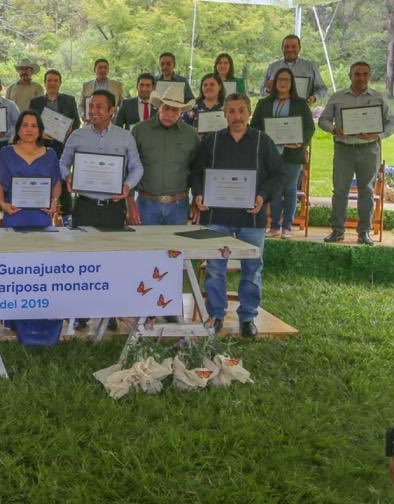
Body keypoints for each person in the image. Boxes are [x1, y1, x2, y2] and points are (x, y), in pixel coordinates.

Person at [190, 93, 285, 337]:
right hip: (217, 216)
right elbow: (196, 173)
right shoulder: (211, 142)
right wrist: (199, 194)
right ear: (224, 115)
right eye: (231, 111)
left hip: (251, 217)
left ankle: (247, 318)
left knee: (252, 267)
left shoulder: (263, 142)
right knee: (215, 268)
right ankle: (216, 315)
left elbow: (278, 176)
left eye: (241, 110)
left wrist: (262, 196)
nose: (236, 116)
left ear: (249, 112)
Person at [59, 90, 143, 331]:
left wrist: (127, 186)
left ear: (111, 111)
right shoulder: (77, 135)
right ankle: (82, 312)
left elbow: (137, 168)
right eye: (90, 106)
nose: (93, 111)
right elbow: (62, 163)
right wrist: (68, 176)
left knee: (112, 261)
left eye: (98, 107)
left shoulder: (125, 137)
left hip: (112, 209)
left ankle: (110, 313)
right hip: (84, 206)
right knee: (83, 261)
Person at [0, 110, 63, 346]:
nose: (29, 129)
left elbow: (56, 184)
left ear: (40, 129)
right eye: (25, 125)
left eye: (34, 125)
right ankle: (15, 321)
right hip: (16, 216)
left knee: (41, 270)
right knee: (16, 271)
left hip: (41, 219)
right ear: (19, 129)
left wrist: (54, 203)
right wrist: (3, 204)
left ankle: (40, 319)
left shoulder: (51, 154)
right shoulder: (6, 153)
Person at [317, 61, 394, 245]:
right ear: (350, 76)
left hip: (369, 150)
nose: (361, 78)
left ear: (369, 76)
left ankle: (364, 233)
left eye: (365, 74)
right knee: (339, 191)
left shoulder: (379, 98)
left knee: (367, 192)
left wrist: (377, 134)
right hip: (344, 150)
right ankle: (337, 231)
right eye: (357, 74)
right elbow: (323, 120)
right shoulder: (338, 97)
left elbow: (392, 124)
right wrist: (334, 129)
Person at [250, 67, 316, 239]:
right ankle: (274, 227)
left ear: (291, 83)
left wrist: (300, 142)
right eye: (280, 80)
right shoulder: (264, 103)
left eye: (286, 80)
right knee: (275, 190)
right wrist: (263, 140)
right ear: (274, 83)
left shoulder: (300, 104)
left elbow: (309, 128)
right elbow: (255, 126)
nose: (283, 83)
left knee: (289, 189)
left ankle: (287, 226)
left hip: (292, 154)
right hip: (270, 154)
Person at [131, 84, 198, 227]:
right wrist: (129, 204)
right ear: (158, 106)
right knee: (146, 248)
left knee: (177, 248)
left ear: (181, 112)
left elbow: (196, 170)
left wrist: (196, 201)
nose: (169, 113)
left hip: (179, 206)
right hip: (146, 204)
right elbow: (129, 168)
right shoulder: (140, 130)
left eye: (174, 110)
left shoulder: (191, 135)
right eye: (166, 107)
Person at [261, 34, 327, 106]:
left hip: (301, 110)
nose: (290, 49)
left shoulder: (310, 67)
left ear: (299, 48)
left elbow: (322, 89)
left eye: (293, 46)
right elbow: (262, 91)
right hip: (275, 112)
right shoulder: (272, 67)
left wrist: (314, 98)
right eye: (286, 47)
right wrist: (268, 90)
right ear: (282, 48)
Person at [28, 69, 81, 158]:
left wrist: (70, 129)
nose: (52, 83)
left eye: (56, 81)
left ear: (60, 83)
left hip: (63, 146)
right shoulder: (35, 102)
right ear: (45, 83)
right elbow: (30, 124)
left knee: (61, 171)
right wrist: (39, 132)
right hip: (41, 146)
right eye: (49, 80)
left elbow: (77, 122)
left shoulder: (69, 100)